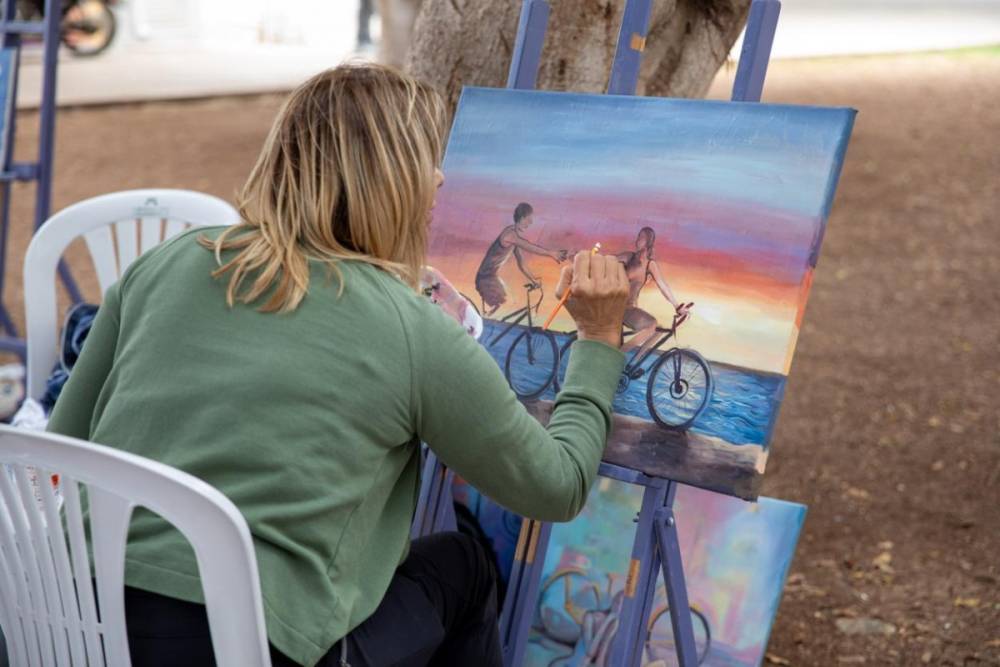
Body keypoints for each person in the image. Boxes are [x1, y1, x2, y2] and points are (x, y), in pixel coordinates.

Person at [46, 64, 630, 667]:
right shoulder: (411, 327)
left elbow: (60, 447)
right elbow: (557, 486)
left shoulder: (162, 266)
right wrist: (598, 336)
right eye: (425, 156)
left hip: (69, 629)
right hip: (248, 649)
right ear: (388, 179)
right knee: (465, 567)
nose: (440, 176)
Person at [474, 202, 567, 315]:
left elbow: (521, 263)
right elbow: (528, 246)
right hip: (485, 279)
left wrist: (533, 279)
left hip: (492, 278)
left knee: (509, 304)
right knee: (503, 307)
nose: (531, 222)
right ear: (522, 218)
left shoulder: (514, 240)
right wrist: (550, 253)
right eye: (528, 219)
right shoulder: (509, 235)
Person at [616, 226, 691, 361]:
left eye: (641, 238)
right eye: (638, 237)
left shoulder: (650, 265)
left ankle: (635, 363)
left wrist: (677, 306)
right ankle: (618, 355)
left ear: (648, 243)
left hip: (630, 308)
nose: (637, 240)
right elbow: (606, 259)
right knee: (652, 325)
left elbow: (663, 286)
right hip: (621, 307)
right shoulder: (629, 257)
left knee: (659, 330)